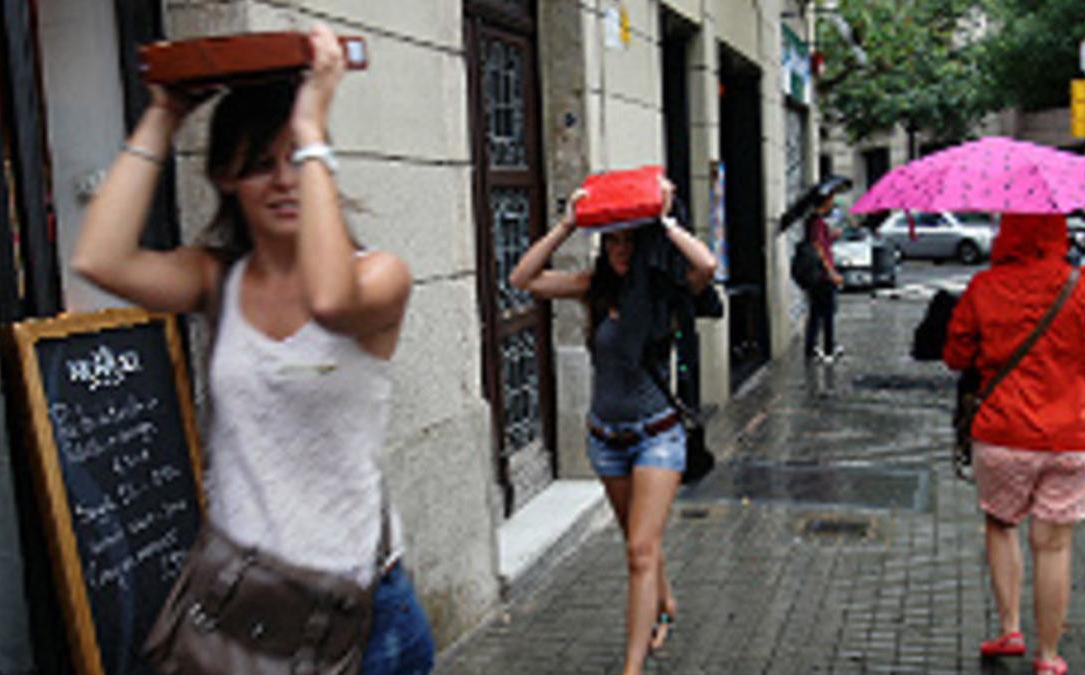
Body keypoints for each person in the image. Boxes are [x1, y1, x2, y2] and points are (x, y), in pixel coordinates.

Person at [72, 25, 435, 674]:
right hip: (242, 609)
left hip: (358, 616)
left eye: (296, 157)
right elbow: (98, 256)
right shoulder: (218, 280)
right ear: (225, 177)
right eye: (259, 164)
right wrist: (164, 113)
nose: (283, 180)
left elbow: (328, 298)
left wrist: (313, 120)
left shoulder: (380, 278)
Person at [509, 179, 716, 675]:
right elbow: (523, 278)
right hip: (605, 440)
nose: (621, 250)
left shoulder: (666, 291)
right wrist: (566, 224)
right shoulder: (593, 288)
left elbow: (705, 265)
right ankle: (665, 602)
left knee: (640, 552)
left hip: (658, 436)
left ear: (644, 243)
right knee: (638, 544)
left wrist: (665, 221)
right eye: (613, 241)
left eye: (630, 241)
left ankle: (631, 666)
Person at [943, 213, 1085, 675]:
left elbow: (955, 356)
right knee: (1053, 546)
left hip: (1004, 435)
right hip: (1075, 437)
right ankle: (1048, 657)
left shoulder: (985, 286)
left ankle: (1009, 629)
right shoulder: (1084, 286)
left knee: (1001, 524)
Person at [804, 194, 844, 362]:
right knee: (826, 312)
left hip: (821, 274)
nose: (833, 203)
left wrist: (832, 236)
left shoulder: (817, 222)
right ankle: (828, 348)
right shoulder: (816, 222)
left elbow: (822, 244)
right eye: (831, 200)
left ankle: (813, 348)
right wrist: (831, 272)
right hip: (822, 276)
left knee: (817, 312)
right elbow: (818, 248)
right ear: (825, 201)